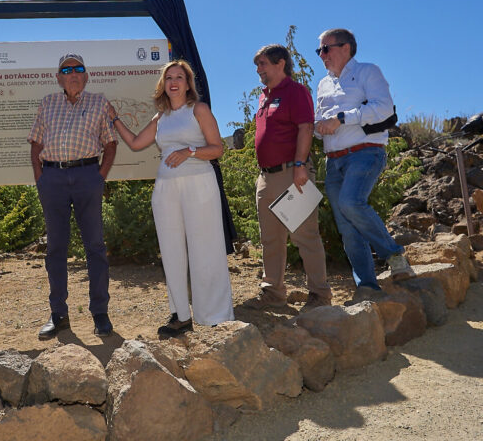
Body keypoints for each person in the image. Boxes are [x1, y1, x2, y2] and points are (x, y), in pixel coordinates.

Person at [110, 60, 234, 337]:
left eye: (180, 77)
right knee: (171, 250)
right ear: (163, 85)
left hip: (199, 184)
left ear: (188, 84)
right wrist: (115, 118)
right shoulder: (160, 118)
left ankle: (215, 315)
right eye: (169, 78)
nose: (174, 81)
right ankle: (180, 315)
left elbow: (217, 149)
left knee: (206, 248)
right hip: (166, 188)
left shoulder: (198, 110)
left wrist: (189, 150)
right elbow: (135, 143)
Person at [314, 28, 412, 295]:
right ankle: (367, 286)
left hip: (366, 152)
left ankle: (395, 256)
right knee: (347, 228)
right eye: (319, 50)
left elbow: (384, 108)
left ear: (346, 47)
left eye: (326, 48)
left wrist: (343, 118)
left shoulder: (369, 71)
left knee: (350, 202)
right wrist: (317, 127)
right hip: (333, 160)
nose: (321, 55)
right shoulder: (323, 84)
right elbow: (320, 119)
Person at [28, 54, 117, 339]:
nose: (73, 73)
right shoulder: (48, 104)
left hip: (87, 175)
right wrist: (40, 176)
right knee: (55, 248)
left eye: (79, 68)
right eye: (67, 69)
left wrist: (99, 176)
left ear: (86, 75)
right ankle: (59, 315)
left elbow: (110, 143)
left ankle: (100, 313)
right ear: (59, 77)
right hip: (52, 178)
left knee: (95, 246)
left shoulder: (99, 102)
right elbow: (36, 143)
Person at [246, 45, 332, 311]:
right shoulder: (263, 97)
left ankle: (319, 295)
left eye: (262, 64)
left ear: (280, 63)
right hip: (266, 178)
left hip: (293, 173)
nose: (259, 70)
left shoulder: (296, 92)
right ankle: (273, 294)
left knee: (304, 236)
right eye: (257, 65)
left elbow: (306, 128)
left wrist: (299, 166)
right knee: (270, 239)